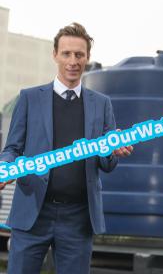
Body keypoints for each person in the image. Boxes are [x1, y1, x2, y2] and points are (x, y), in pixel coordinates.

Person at [0, 22, 133, 274]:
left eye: (79, 55)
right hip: (32, 213)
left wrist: (111, 150)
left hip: (77, 217)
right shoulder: (29, 98)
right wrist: (5, 166)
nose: (73, 61)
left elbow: (108, 165)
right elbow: (12, 148)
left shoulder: (102, 104)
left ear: (87, 58)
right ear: (55, 55)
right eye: (67, 54)